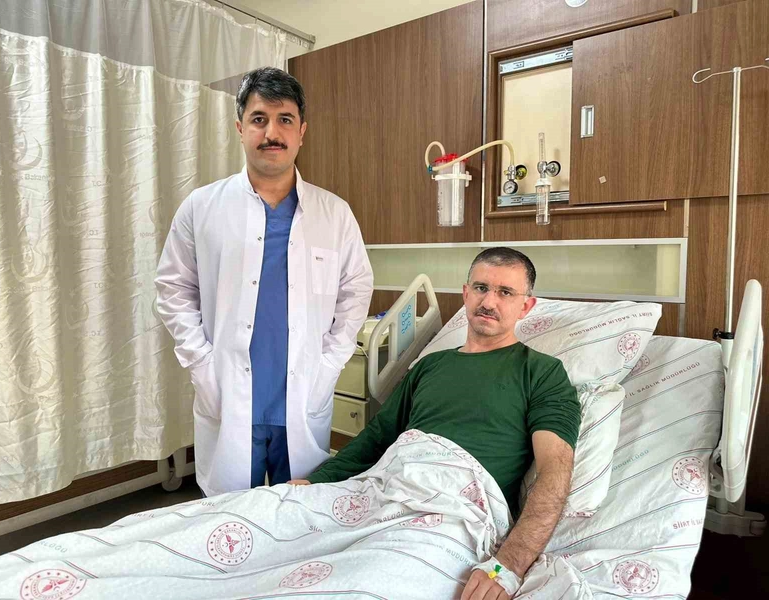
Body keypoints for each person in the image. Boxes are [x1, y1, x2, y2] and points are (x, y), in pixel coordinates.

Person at [290, 247, 581, 600]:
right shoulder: (430, 365)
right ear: (465, 293)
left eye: (505, 292)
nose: (489, 301)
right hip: (382, 492)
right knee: (265, 521)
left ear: (526, 306)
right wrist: (315, 483)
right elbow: (377, 438)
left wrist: (508, 565)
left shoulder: (542, 372)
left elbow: (554, 470)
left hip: (452, 515)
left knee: (350, 587)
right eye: (481, 288)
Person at [155, 67, 373, 496]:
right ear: (240, 128)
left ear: (301, 131)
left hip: (303, 391)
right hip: (227, 390)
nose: (272, 133)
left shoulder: (334, 214)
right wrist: (200, 362)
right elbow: (174, 288)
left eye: (284, 119)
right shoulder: (201, 207)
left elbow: (355, 290)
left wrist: (330, 364)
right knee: (231, 517)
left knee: (300, 510)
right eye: (259, 119)